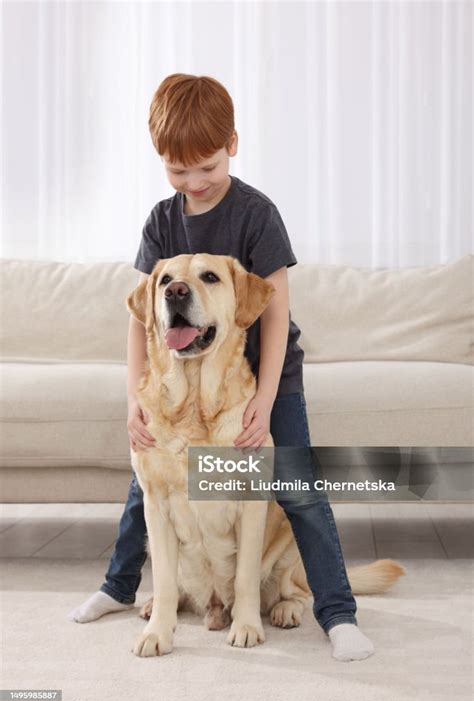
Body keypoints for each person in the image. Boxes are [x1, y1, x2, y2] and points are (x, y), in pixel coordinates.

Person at [69, 74, 374, 662]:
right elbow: (140, 317)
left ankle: (337, 613)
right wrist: (134, 397)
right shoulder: (161, 220)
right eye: (178, 171)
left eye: (205, 166)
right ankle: (117, 586)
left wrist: (264, 398)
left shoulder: (257, 214)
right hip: (182, 388)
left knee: (297, 489)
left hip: (264, 379)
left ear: (232, 143)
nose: (194, 182)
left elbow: (277, 311)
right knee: (148, 485)